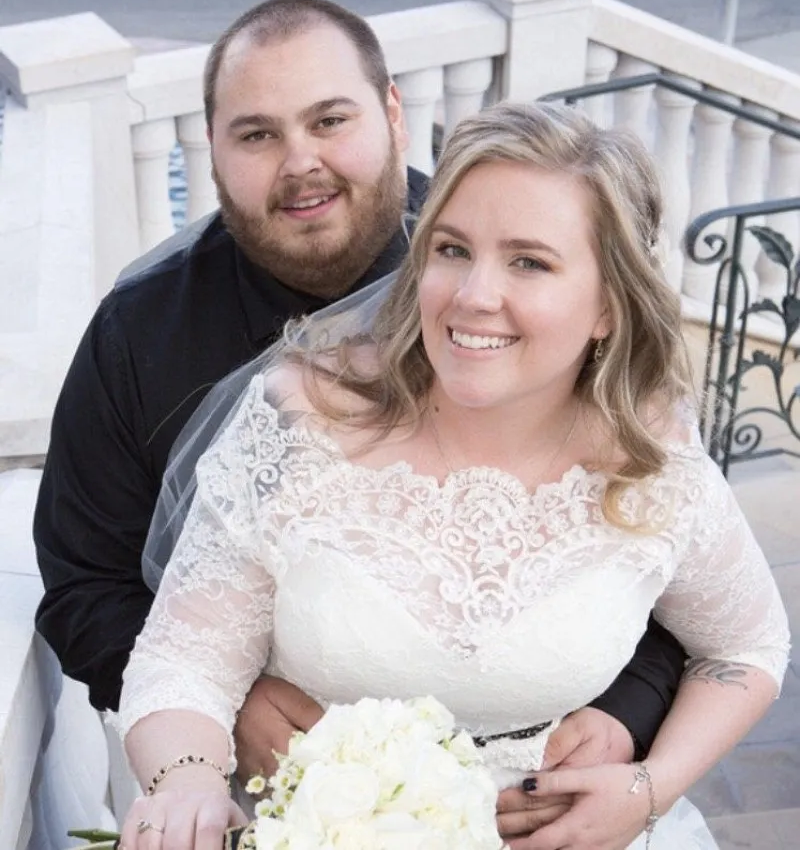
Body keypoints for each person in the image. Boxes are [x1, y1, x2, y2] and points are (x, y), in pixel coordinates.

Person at [33, 0, 685, 830]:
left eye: (329, 119)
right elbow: (84, 581)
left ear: (392, 114)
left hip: (546, 800)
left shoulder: (519, 292)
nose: (301, 161)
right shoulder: (139, 330)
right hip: (255, 798)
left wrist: (627, 714)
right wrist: (216, 719)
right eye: (258, 134)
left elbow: (678, 544)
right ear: (214, 150)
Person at [115, 101, 788, 850]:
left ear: (607, 305)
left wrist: (650, 787)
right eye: (452, 249)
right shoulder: (302, 421)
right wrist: (188, 780)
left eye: (529, 261)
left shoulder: (652, 460)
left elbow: (745, 648)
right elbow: (184, 658)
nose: (472, 296)